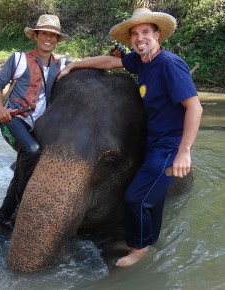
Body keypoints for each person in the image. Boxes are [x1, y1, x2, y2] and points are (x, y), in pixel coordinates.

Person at [58, 8, 203, 267]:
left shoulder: (169, 64)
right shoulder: (141, 61)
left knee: (135, 197)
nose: (139, 38)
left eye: (145, 32)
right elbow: (110, 63)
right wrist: (75, 65)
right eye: (135, 34)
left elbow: (195, 107)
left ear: (157, 34)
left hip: (169, 147)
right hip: (153, 141)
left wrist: (184, 151)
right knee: (153, 198)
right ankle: (150, 240)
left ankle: (138, 249)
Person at [0, 14, 71, 229]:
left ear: (57, 40)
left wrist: (113, 56)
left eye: (53, 35)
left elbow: (87, 67)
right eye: (44, 33)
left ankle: (3, 215)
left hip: (38, 125)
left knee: (25, 163)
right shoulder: (18, 59)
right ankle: (23, 200)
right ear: (35, 35)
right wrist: (0, 109)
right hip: (13, 120)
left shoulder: (60, 64)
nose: (49, 39)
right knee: (32, 151)